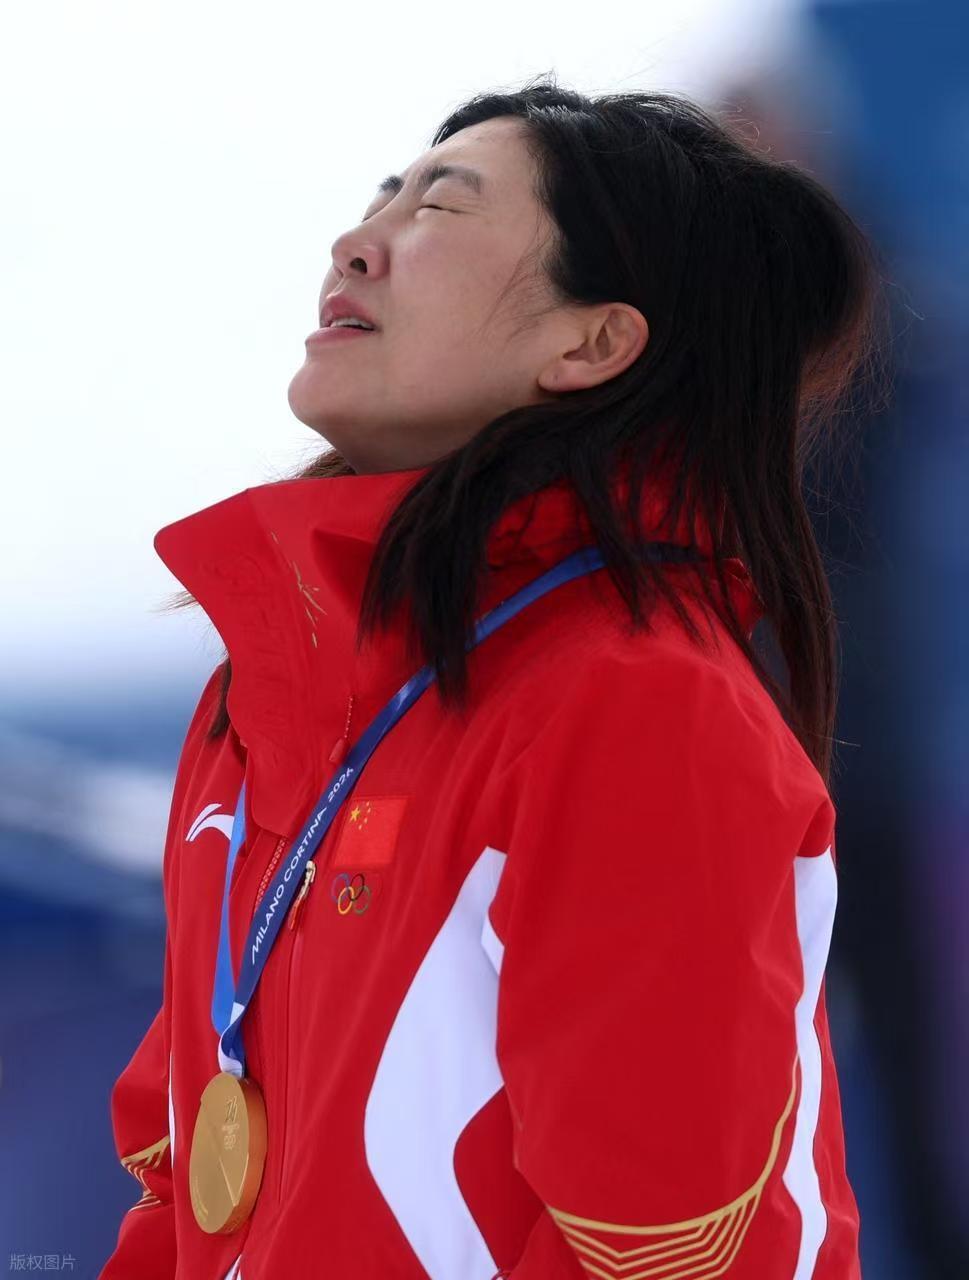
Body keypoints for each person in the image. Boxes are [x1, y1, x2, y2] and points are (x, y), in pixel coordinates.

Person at [99, 74, 887, 1279]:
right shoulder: (266, 695)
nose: (356, 243)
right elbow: (185, 1205)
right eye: (383, 195)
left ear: (592, 342)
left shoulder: (634, 702)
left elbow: (657, 1252)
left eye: (440, 209)